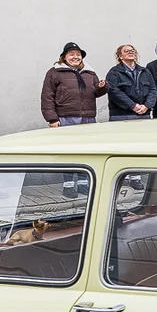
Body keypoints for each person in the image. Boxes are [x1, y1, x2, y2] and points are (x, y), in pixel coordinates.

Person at [40, 42, 107, 197]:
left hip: (88, 118)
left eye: (78, 54)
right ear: (64, 57)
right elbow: (47, 96)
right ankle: (68, 185)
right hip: (66, 118)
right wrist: (52, 119)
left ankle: (83, 183)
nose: (75, 57)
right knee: (68, 152)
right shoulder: (54, 72)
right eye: (72, 54)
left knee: (87, 152)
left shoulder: (89, 72)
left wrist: (102, 87)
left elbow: (95, 92)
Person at [106, 43, 156, 121]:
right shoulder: (114, 72)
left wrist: (147, 106)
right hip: (121, 116)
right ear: (120, 56)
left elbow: (153, 90)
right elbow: (114, 92)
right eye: (126, 51)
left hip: (144, 114)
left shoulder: (145, 71)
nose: (130, 52)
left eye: (132, 51)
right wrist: (133, 106)